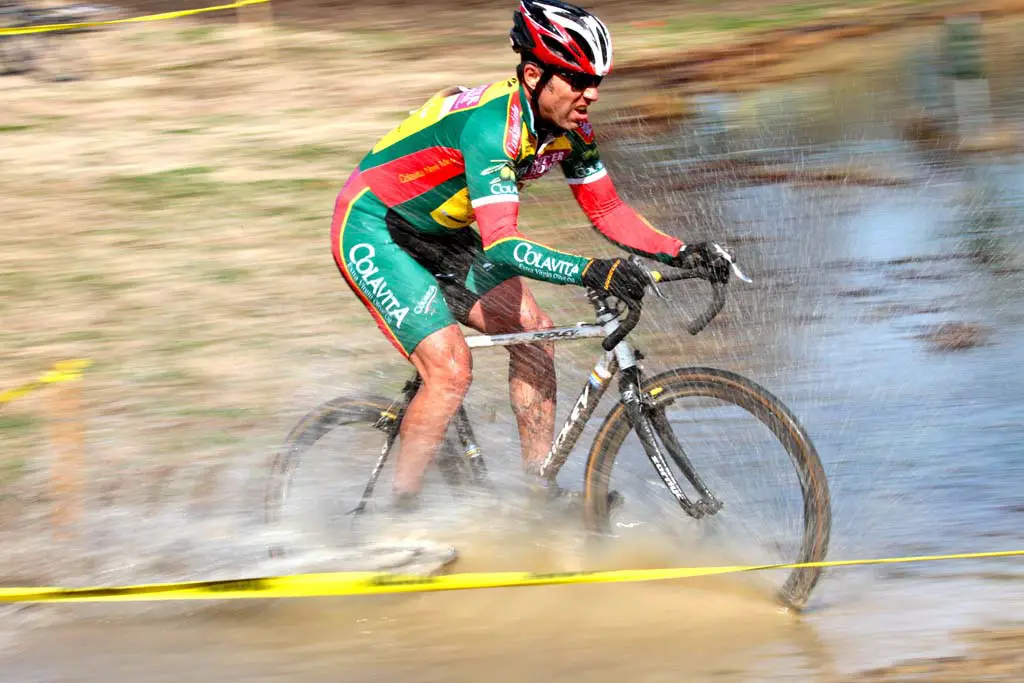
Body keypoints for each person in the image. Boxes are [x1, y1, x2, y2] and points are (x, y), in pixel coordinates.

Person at [330, 0, 716, 514]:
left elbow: (606, 209)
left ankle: (537, 495)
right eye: (577, 80)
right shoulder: (494, 129)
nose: (592, 93)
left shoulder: (570, 129)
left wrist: (682, 251)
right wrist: (591, 269)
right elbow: (503, 245)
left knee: (536, 334)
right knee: (450, 370)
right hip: (375, 226)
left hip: (441, 233)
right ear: (534, 75)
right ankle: (397, 524)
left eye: (596, 80)